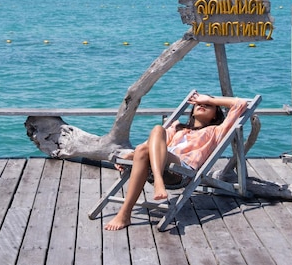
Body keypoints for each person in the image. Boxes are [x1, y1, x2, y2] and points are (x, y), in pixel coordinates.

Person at [104, 91, 247, 231]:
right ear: (192, 112)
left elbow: (241, 104)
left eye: (207, 105)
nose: (202, 105)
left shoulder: (216, 131)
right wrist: (131, 156)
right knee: (148, 141)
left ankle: (153, 185)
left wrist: (211, 100)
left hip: (181, 171)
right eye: (199, 104)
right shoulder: (177, 128)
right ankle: (126, 213)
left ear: (215, 113)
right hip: (159, 163)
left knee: (156, 132)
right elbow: (151, 145)